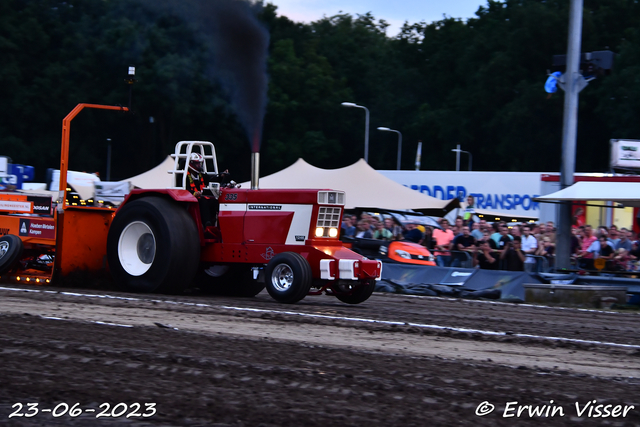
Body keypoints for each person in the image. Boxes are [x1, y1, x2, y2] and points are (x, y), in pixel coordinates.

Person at [186, 152, 231, 227]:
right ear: (191, 163)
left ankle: (219, 224)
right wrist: (194, 193)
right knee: (203, 201)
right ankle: (207, 224)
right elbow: (184, 189)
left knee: (214, 201)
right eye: (197, 164)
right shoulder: (184, 176)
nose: (199, 166)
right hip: (192, 199)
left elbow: (211, 180)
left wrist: (221, 176)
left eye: (200, 164)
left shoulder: (201, 174)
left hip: (202, 197)